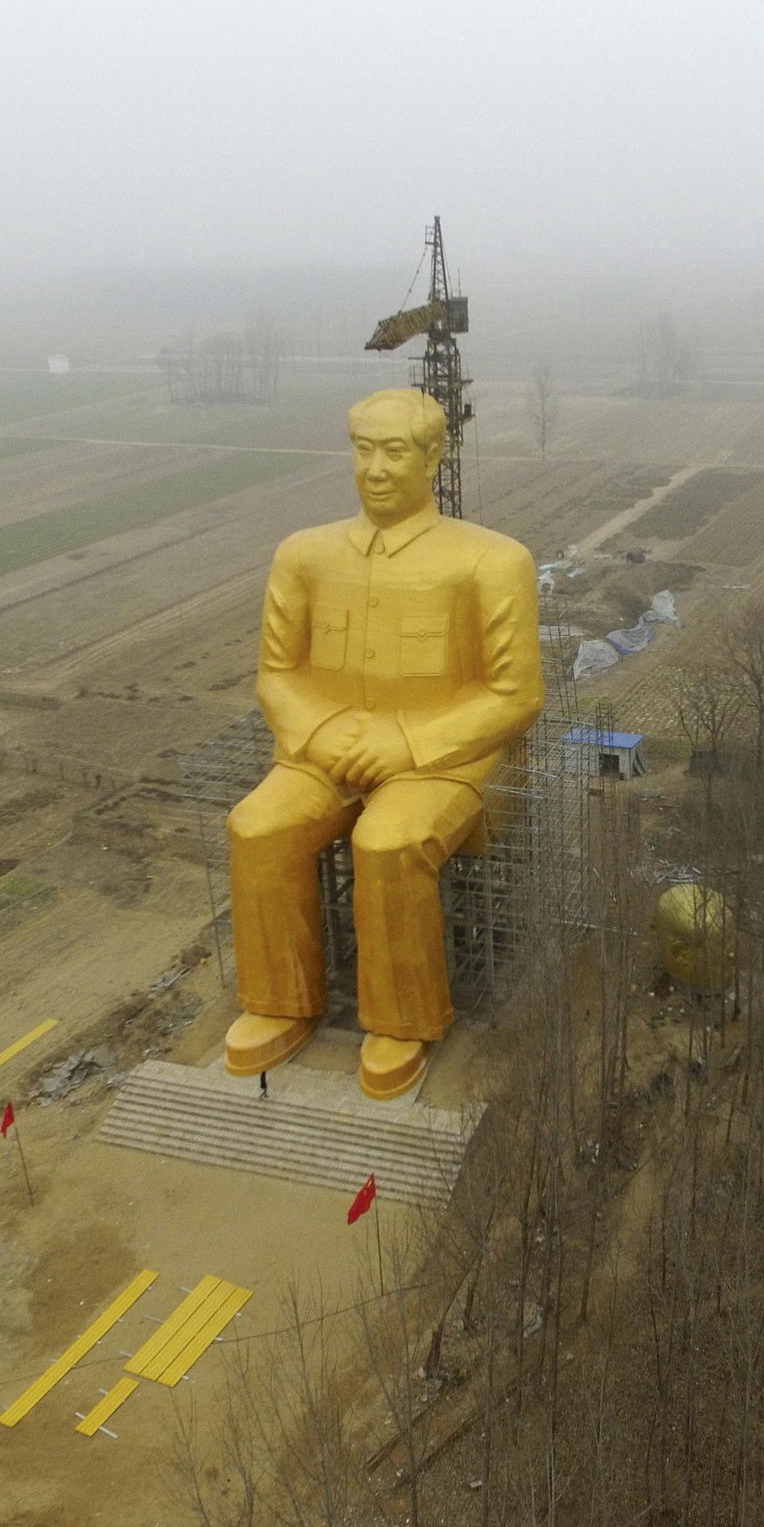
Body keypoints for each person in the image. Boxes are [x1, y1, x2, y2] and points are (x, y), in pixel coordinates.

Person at [221, 388, 543, 1100]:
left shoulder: (491, 561)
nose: (374, 468)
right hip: (323, 748)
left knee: (390, 843)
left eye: (394, 450)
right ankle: (281, 1000)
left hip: (444, 758)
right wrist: (323, 732)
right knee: (258, 827)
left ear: (434, 455)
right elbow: (276, 675)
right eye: (363, 449)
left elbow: (516, 696)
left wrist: (405, 743)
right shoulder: (303, 555)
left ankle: (403, 1019)